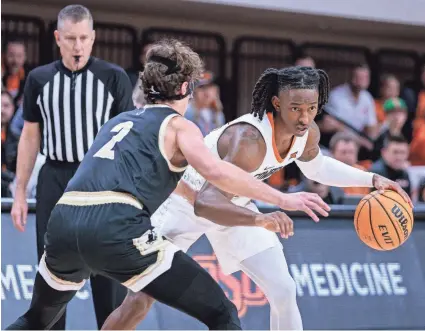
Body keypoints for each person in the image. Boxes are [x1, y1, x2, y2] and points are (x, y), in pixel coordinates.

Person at [5, 40, 331, 331]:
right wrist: (282, 199)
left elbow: (177, 186)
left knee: (36, 321)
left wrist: (248, 217)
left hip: (64, 220)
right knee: (223, 315)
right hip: (114, 225)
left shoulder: (118, 122)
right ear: (186, 87)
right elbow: (217, 172)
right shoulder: (178, 125)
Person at [101, 66, 413, 331]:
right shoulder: (249, 140)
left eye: (312, 108)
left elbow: (316, 166)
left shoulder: (306, 131)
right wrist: (260, 218)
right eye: (296, 109)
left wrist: (370, 179)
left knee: (283, 289)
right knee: (141, 298)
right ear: (277, 103)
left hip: (234, 203)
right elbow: (204, 204)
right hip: (184, 201)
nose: (304, 117)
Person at [9, 5, 134, 329]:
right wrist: (21, 191)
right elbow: (30, 136)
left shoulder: (113, 77)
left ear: (92, 38)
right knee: (53, 274)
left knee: (107, 276)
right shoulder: (39, 79)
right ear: (57, 39)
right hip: (55, 178)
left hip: (101, 180)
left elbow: (129, 141)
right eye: (70, 39)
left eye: (83, 38)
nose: (77, 46)